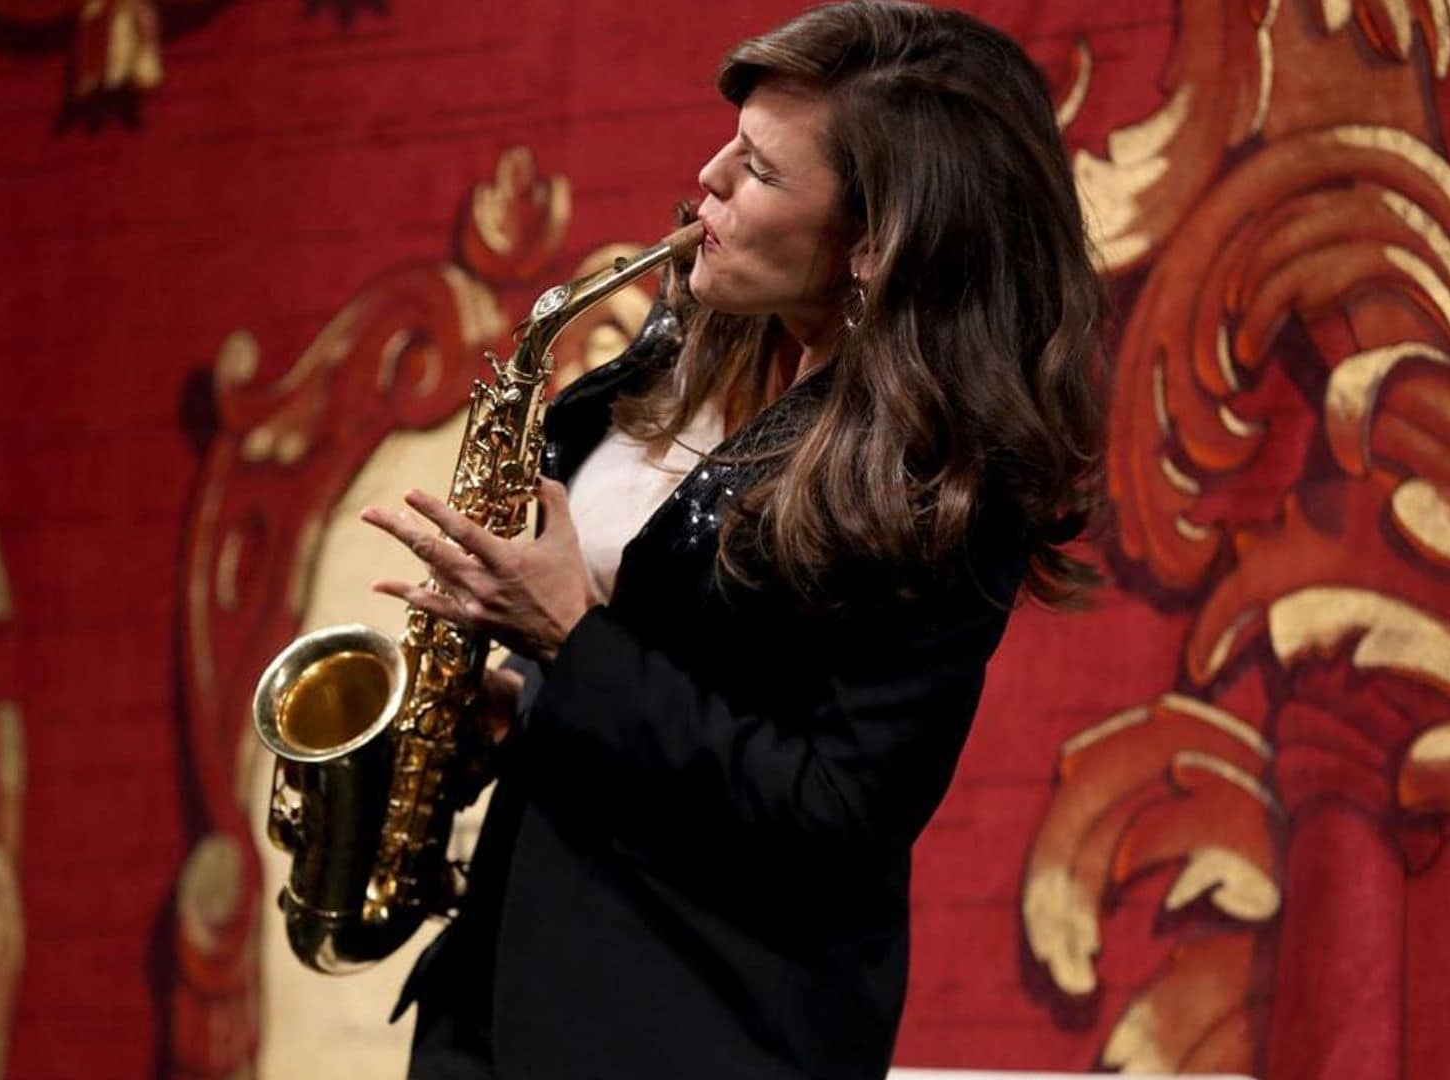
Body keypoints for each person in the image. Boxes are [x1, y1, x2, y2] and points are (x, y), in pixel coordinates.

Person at [358, 3, 1107, 1077]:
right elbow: (677, 668)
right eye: (729, 142)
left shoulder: (941, 482)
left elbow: (833, 812)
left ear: (873, 244)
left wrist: (577, 640)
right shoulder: (688, 338)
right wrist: (526, 700)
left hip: (695, 1025)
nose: (705, 178)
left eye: (758, 170)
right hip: (499, 999)